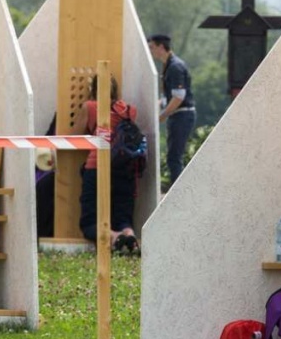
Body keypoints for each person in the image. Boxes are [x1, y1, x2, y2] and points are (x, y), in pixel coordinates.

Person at [78, 75, 140, 254]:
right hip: (125, 169)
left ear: (94, 89)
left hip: (96, 167)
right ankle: (129, 235)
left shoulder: (91, 107)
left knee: (89, 222)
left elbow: (74, 135)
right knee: (123, 218)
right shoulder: (129, 110)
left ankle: (113, 237)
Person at [148, 34, 196, 189]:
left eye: (152, 47)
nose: (151, 51)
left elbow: (178, 97)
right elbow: (167, 97)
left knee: (174, 157)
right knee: (173, 156)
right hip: (178, 116)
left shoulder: (175, 67)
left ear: (161, 47)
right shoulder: (168, 65)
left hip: (182, 115)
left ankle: (178, 194)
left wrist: (161, 116)